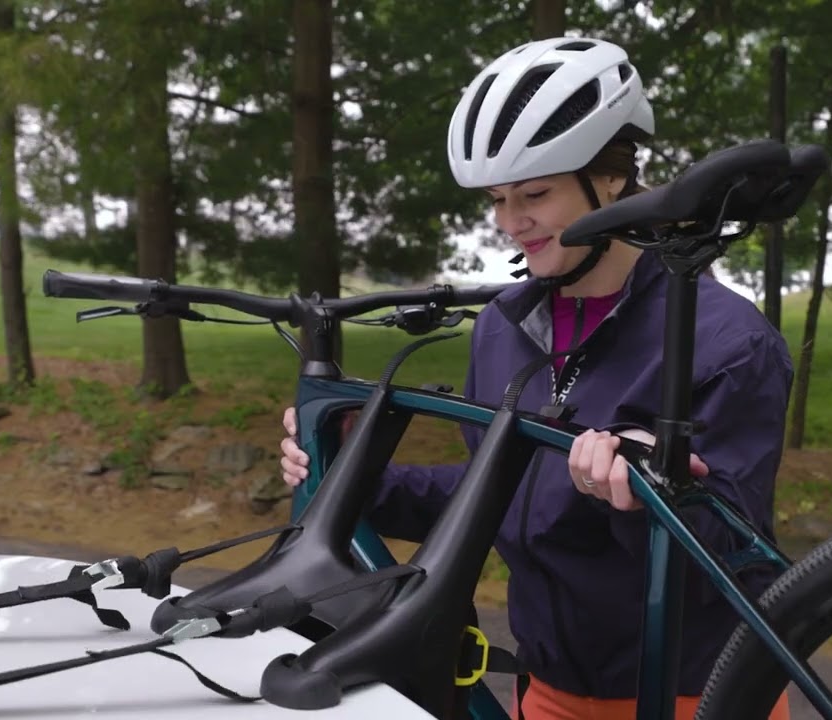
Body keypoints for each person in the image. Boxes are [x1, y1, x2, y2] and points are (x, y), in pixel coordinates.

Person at [280, 36, 793, 720]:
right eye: (497, 198)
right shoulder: (503, 327)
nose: (509, 222)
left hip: (694, 696)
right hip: (546, 691)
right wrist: (348, 473)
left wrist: (646, 496)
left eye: (536, 194)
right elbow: (494, 493)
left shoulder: (726, 342)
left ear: (611, 177)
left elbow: (733, 560)